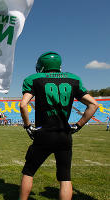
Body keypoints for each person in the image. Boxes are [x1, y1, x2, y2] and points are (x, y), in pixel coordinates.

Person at [19, 51, 99, 200]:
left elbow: (23, 105)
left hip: (44, 134)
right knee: (65, 177)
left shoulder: (34, 79)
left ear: (42, 66)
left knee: (29, 172)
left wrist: (28, 126)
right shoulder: (73, 79)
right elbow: (94, 105)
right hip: (64, 134)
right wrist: (78, 125)